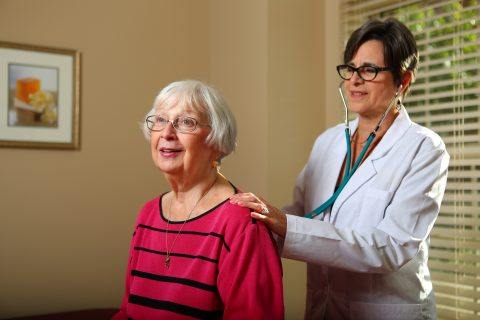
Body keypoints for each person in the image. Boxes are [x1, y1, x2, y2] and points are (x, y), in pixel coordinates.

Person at [230, 18, 449, 319]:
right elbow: (299, 213)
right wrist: (245, 221)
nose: (354, 80)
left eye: (369, 70)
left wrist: (285, 224)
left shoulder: (424, 149)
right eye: (351, 68)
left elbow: (391, 246)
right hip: (324, 307)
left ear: (404, 80)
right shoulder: (328, 141)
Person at [113, 80, 284, 319]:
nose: (167, 133)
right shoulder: (149, 213)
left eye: (186, 122)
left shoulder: (242, 222)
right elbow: (127, 311)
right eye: (160, 120)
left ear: (216, 141)